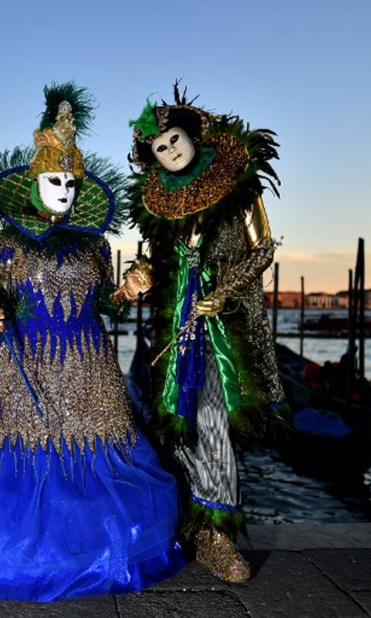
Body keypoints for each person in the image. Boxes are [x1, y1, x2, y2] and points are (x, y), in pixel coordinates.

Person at [0, 84, 185, 602]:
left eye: (72, 184)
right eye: (55, 181)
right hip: (22, 366)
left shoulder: (94, 244)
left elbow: (105, 307)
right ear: (33, 183)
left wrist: (128, 291)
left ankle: (98, 550)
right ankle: (14, 554)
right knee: (12, 460)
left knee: (105, 459)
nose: (64, 192)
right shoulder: (3, 245)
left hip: (89, 369)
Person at [125, 83, 290, 582]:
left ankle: (218, 530)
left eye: (173, 138)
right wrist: (138, 277)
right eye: (159, 149)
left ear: (190, 134)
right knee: (172, 425)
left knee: (214, 420)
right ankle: (194, 519)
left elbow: (265, 250)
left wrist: (226, 289)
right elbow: (154, 263)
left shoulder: (239, 185)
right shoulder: (159, 206)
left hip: (221, 330)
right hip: (176, 330)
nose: (170, 150)